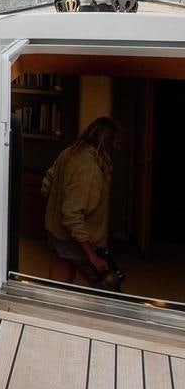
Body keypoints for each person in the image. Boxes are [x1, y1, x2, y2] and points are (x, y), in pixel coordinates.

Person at [42, 116, 125, 290]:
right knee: (108, 292)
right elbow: (71, 214)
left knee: (58, 291)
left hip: (59, 237)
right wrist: (93, 256)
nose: (119, 146)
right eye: (117, 141)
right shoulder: (90, 168)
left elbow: (47, 184)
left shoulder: (70, 152)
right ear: (108, 141)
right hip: (75, 243)